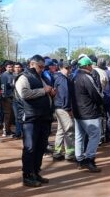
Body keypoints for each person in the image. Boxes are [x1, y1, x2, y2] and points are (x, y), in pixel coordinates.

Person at [15, 55, 55, 187]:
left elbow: (45, 91)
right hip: (30, 118)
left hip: (42, 117)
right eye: (40, 66)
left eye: (43, 67)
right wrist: (43, 90)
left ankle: (35, 172)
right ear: (32, 64)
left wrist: (51, 92)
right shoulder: (24, 77)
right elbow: (24, 93)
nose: (42, 69)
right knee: (30, 147)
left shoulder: (40, 77)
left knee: (40, 147)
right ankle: (27, 175)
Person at [72, 56, 104, 172]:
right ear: (86, 66)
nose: (92, 67)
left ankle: (80, 160)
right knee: (95, 135)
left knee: (79, 136)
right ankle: (89, 159)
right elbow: (95, 94)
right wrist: (101, 102)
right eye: (90, 65)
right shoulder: (86, 77)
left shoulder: (74, 76)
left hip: (78, 111)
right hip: (89, 111)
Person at [52, 61, 76, 161]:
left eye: (69, 68)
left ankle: (57, 152)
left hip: (59, 107)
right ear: (61, 68)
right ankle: (70, 154)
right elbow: (65, 95)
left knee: (61, 130)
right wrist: (68, 109)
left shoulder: (61, 78)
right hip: (63, 108)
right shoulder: (62, 79)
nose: (68, 70)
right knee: (69, 130)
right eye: (66, 68)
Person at [0, 61, 16, 137]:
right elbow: (3, 86)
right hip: (6, 98)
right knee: (7, 115)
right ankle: (6, 131)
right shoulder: (4, 75)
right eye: (9, 67)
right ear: (6, 67)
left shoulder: (12, 74)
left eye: (11, 67)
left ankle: (8, 130)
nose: (10, 68)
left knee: (11, 115)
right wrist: (4, 96)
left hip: (12, 97)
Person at [12, 62, 25, 139]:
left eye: (18, 67)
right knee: (17, 117)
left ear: (21, 68)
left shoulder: (23, 76)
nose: (17, 68)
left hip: (22, 100)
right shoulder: (12, 76)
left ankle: (24, 133)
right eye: (16, 67)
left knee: (23, 117)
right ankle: (18, 133)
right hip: (15, 99)